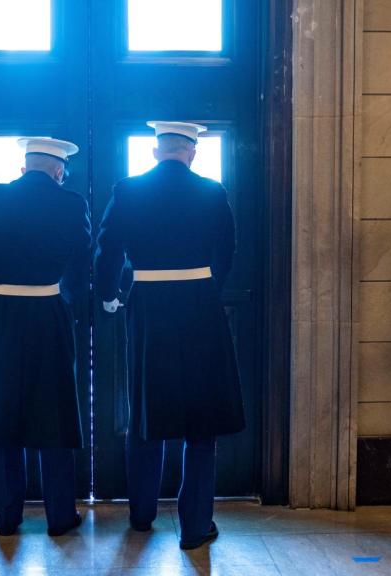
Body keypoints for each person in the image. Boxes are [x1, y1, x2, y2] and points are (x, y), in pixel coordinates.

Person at [95, 121, 245, 550]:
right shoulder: (213, 191)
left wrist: (110, 296)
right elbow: (227, 252)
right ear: (192, 152)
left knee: (146, 413)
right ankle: (196, 526)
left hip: (147, 307)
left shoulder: (128, 190)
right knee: (201, 420)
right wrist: (204, 288)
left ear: (157, 152)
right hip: (199, 305)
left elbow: (107, 252)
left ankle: (141, 517)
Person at [0, 137, 91, 537]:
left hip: (1, 313)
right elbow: (81, 265)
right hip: (48, 312)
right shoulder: (71, 203)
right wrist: (65, 296)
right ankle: (59, 516)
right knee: (53, 413)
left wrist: (0, 288)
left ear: (24, 167)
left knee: (4, 413)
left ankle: (7, 516)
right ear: (58, 171)